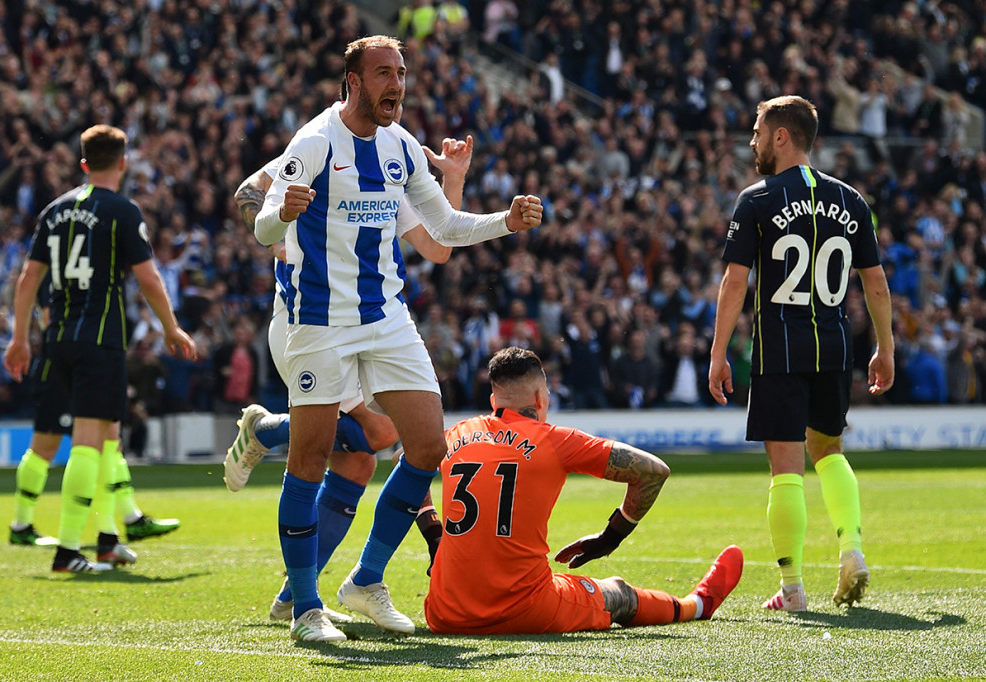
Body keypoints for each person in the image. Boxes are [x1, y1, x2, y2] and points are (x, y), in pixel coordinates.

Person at [253, 35, 542, 641]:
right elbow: (260, 227)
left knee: (427, 446)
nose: (397, 84)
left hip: (385, 315)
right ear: (353, 80)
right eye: (384, 73)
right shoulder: (312, 142)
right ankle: (305, 610)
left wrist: (504, 222)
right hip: (319, 318)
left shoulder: (401, 147)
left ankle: (365, 579)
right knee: (312, 457)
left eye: (402, 73)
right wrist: (282, 213)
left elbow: (443, 228)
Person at [226, 115, 472, 622]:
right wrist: (277, 233)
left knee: (360, 459)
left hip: (367, 326)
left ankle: (298, 595)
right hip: (310, 321)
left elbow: (439, 246)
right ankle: (269, 431)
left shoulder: (392, 176)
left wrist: (453, 177)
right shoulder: (320, 147)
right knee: (377, 433)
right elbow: (249, 191)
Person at [708, 96, 894, 612]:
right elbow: (875, 283)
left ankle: (792, 590)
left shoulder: (757, 198)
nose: (753, 141)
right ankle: (852, 550)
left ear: (781, 137)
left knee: (786, 469)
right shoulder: (851, 200)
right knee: (830, 453)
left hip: (780, 351)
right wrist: (885, 348)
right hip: (834, 349)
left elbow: (734, 282)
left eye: (758, 131)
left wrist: (719, 352)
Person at [425, 347, 743, 634]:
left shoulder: (455, 434)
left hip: (444, 614)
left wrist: (433, 534)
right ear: (540, 398)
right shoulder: (553, 440)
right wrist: (611, 536)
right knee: (618, 593)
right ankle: (698, 605)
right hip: (526, 609)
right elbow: (654, 471)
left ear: (494, 401)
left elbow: (406, 465)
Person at [4, 124, 196, 573]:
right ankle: (69, 552)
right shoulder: (122, 211)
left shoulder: (53, 211)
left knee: (108, 439)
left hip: (57, 338)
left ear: (84, 163)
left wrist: (18, 338)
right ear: (123, 162)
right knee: (89, 443)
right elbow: (148, 277)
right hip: (100, 339)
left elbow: (29, 278)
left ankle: (109, 539)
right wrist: (170, 327)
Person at [10, 337, 180, 550]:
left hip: (89, 363)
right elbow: (49, 316)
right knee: (49, 447)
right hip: (63, 364)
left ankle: (125, 521)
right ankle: (25, 527)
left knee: (110, 441)